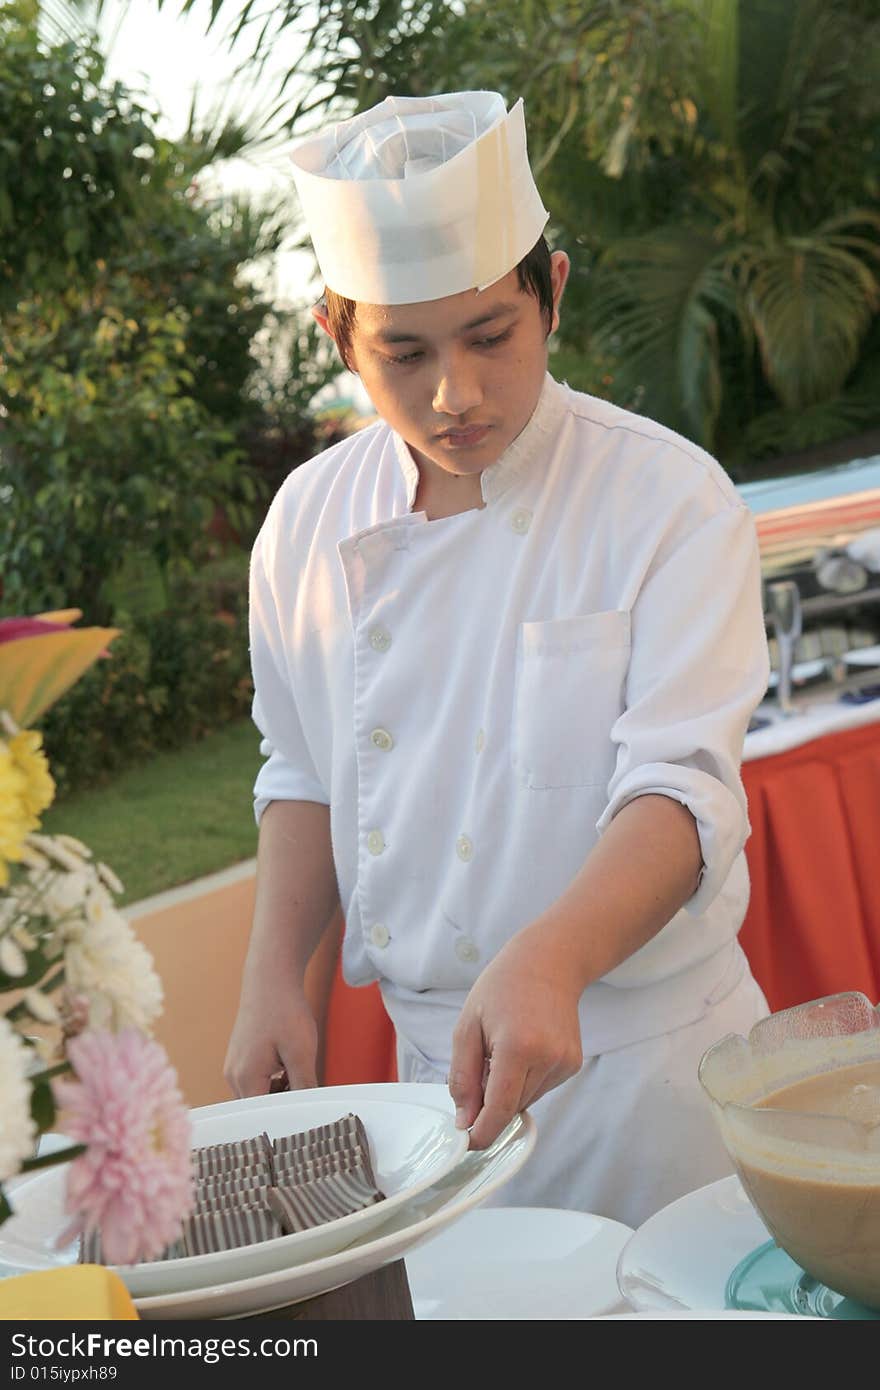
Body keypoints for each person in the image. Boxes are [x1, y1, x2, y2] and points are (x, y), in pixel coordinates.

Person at [224, 90, 771, 1228]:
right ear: (336, 333)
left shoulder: (666, 498)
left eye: (489, 336)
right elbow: (304, 771)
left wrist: (554, 955)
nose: (453, 394)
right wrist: (275, 978)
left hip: (647, 1082)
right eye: (402, 352)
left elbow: (680, 790)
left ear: (552, 293)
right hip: (429, 1100)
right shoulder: (306, 522)